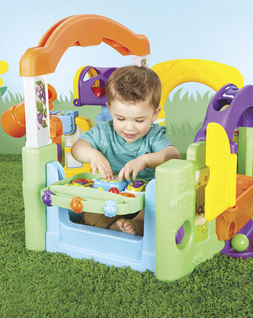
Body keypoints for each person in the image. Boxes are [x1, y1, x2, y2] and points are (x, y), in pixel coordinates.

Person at [71, 65, 179, 235]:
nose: (129, 127)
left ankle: (137, 225)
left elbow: (173, 156)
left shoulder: (153, 136)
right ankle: (115, 227)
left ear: (154, 114)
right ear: (110, 109)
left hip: (144, 200)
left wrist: (145, 160)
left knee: (160, 206)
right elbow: (77, 148)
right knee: (90, 211)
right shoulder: (103, 132)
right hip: (111, 198)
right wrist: (93, 155)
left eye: (139, 120)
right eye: (121, 118)